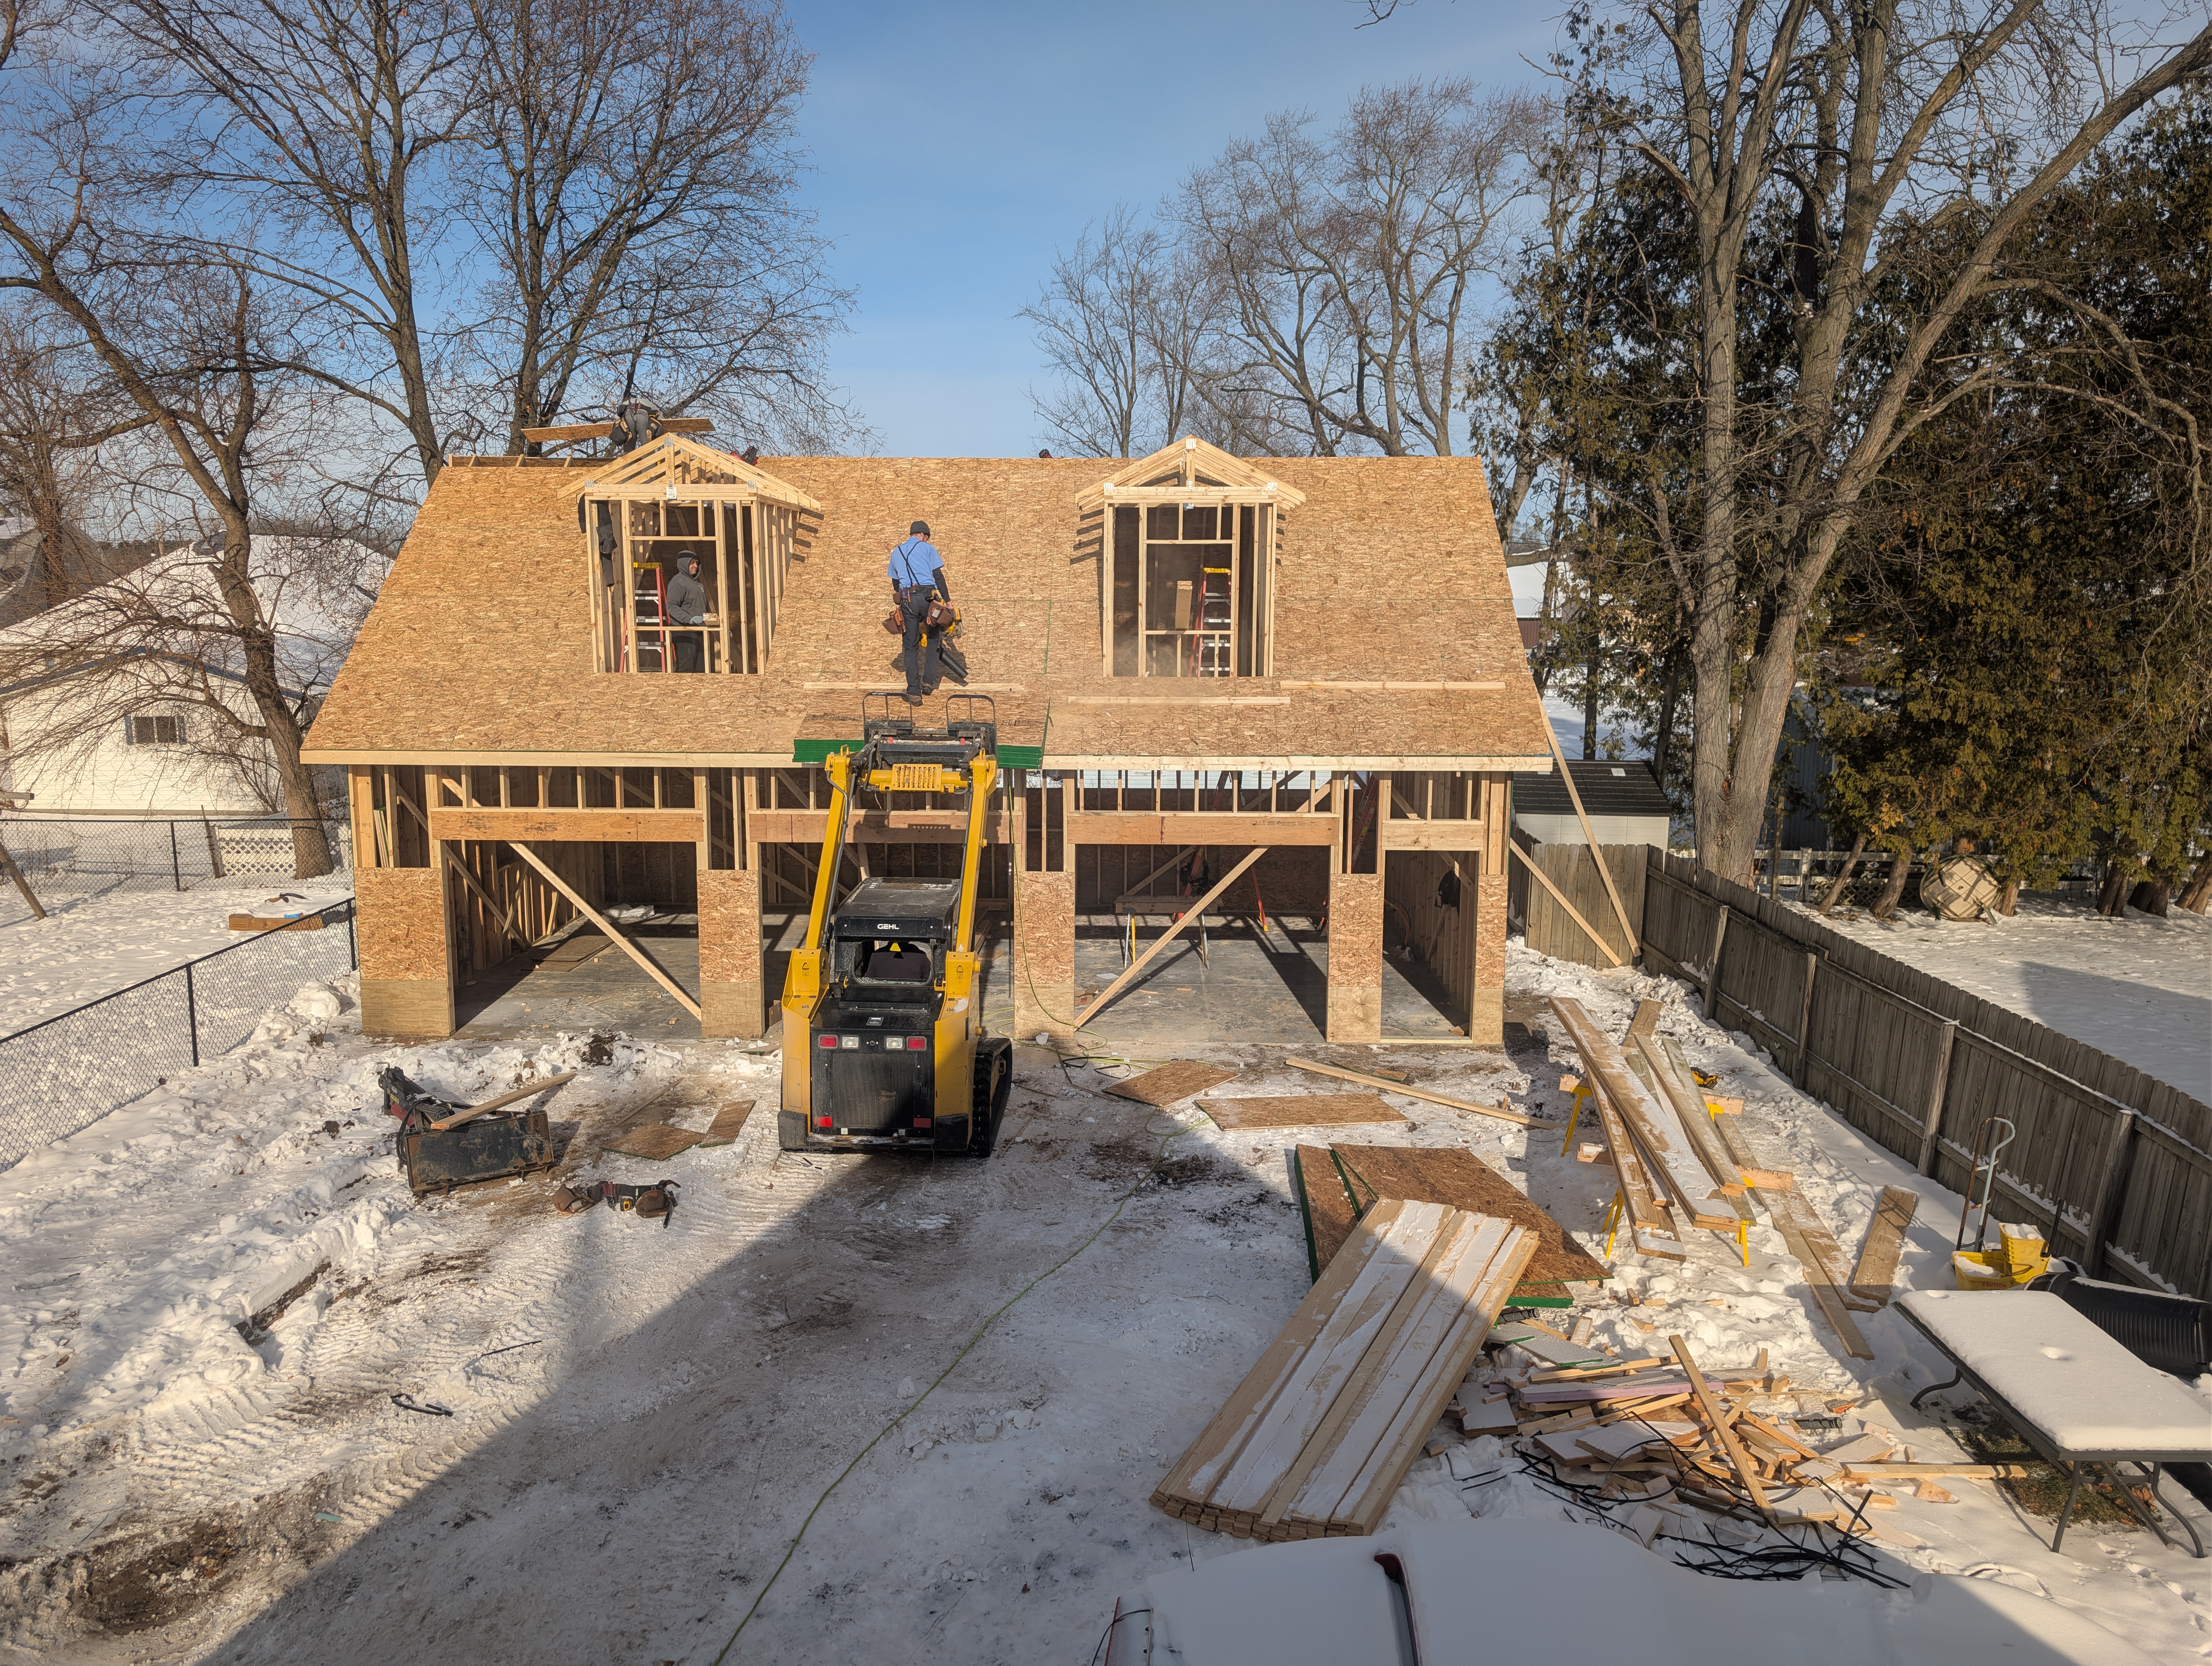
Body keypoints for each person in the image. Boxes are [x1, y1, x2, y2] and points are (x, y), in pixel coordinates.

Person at [887, 520, 951, 702]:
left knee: (910, 647)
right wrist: (949, 601)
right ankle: (929, 682)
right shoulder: (928, 548)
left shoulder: (896, 552)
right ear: (923, 535)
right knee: (933, 638)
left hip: (908, 602)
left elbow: (896, 584)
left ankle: (914, 692)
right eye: (927, 537)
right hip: (928, 600)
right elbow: (938, 576)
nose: (927, 540)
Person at [667, 550, 710, 672]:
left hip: (699, 632)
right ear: (684, 564)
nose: (695, 566)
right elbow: (672, 606)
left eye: (697, 563)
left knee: (700, 671)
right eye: (692, 563)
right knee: (686, 671)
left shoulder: (698, 585)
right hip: (684, 632)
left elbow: (705, 610)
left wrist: (718, 627)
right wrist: (689, 619)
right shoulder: (678, 583)